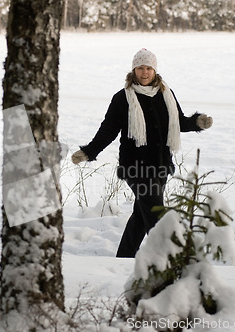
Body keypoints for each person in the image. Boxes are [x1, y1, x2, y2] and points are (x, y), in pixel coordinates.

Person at [71, 48, 213, 258]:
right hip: (135, 167)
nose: (144, 73)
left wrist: (196, 122)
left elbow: (178, 122)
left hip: (161, 165)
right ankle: (166, 258)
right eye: (140, 68)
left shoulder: (167, 95)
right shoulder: (122, 98)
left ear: (155, 70)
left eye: (148, 68)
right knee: (156, 212)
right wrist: (88, 152)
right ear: (133, 70)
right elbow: (108, 130)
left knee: (141, 213)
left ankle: (124, 257)